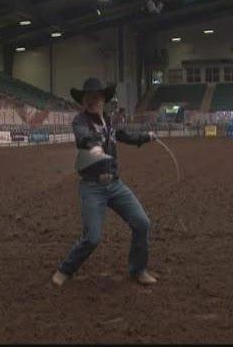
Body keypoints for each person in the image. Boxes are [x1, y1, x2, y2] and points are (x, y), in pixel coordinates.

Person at [52, 78, 158, 287]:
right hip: (92, 186)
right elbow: (83, 137)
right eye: (88, 97)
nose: (92, 100)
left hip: (115, 185)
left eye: (96, 97)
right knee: (92, 238)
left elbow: (125, 135)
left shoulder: (108, 122)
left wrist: (147, 137)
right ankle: (65, 269)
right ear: (84, 101)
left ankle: (138, 269)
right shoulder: (80, 121)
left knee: (142, 223)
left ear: (103, 100)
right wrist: (94, 145)